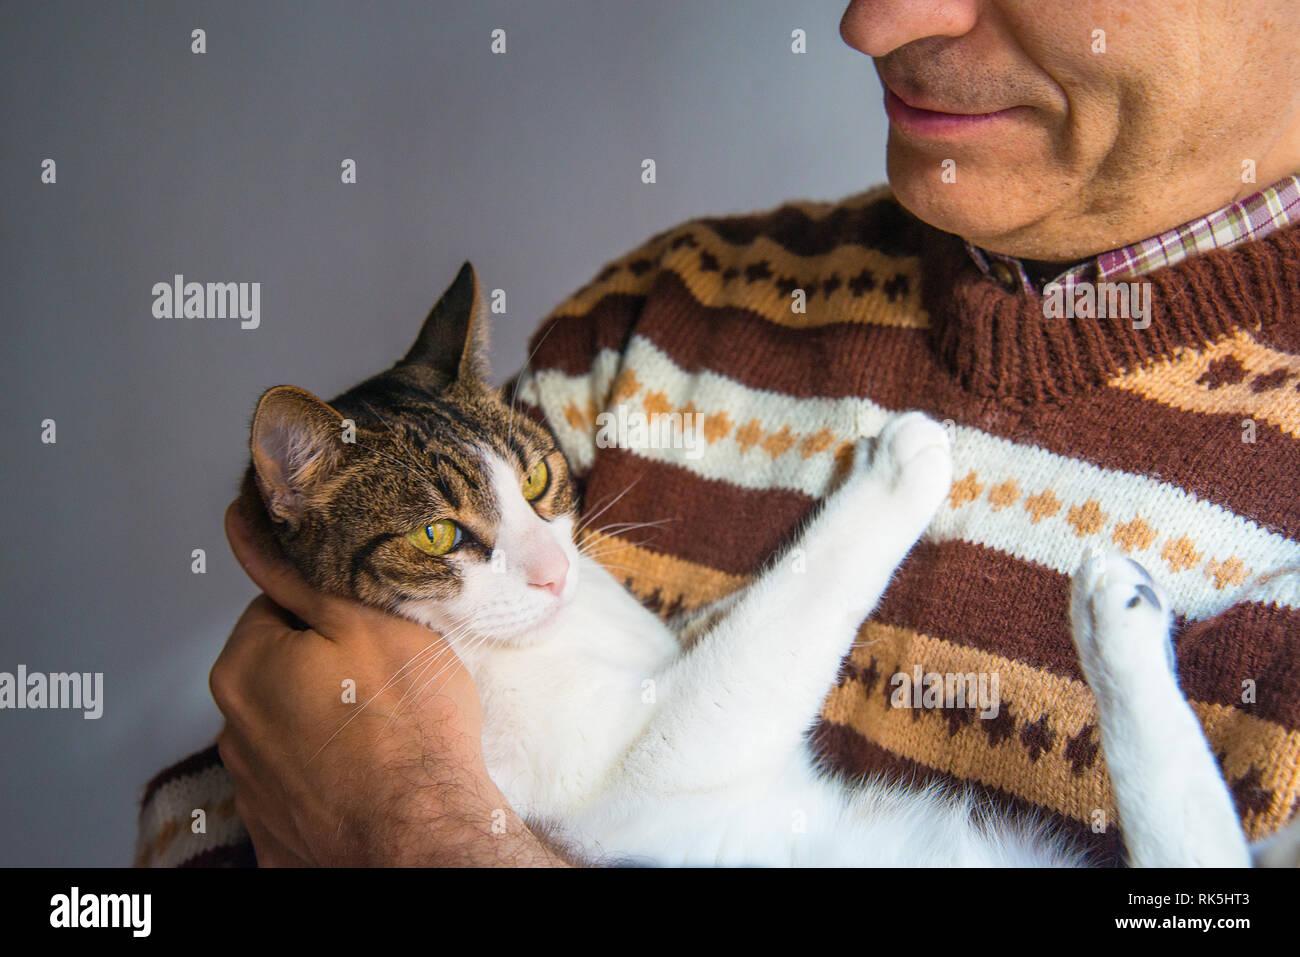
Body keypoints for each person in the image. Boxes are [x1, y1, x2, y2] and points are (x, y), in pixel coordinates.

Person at [140, 0, 1300, 866]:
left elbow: (358, 799)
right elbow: (193, 831)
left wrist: (428, 838)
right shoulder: (660, 315)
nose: (872, 21)